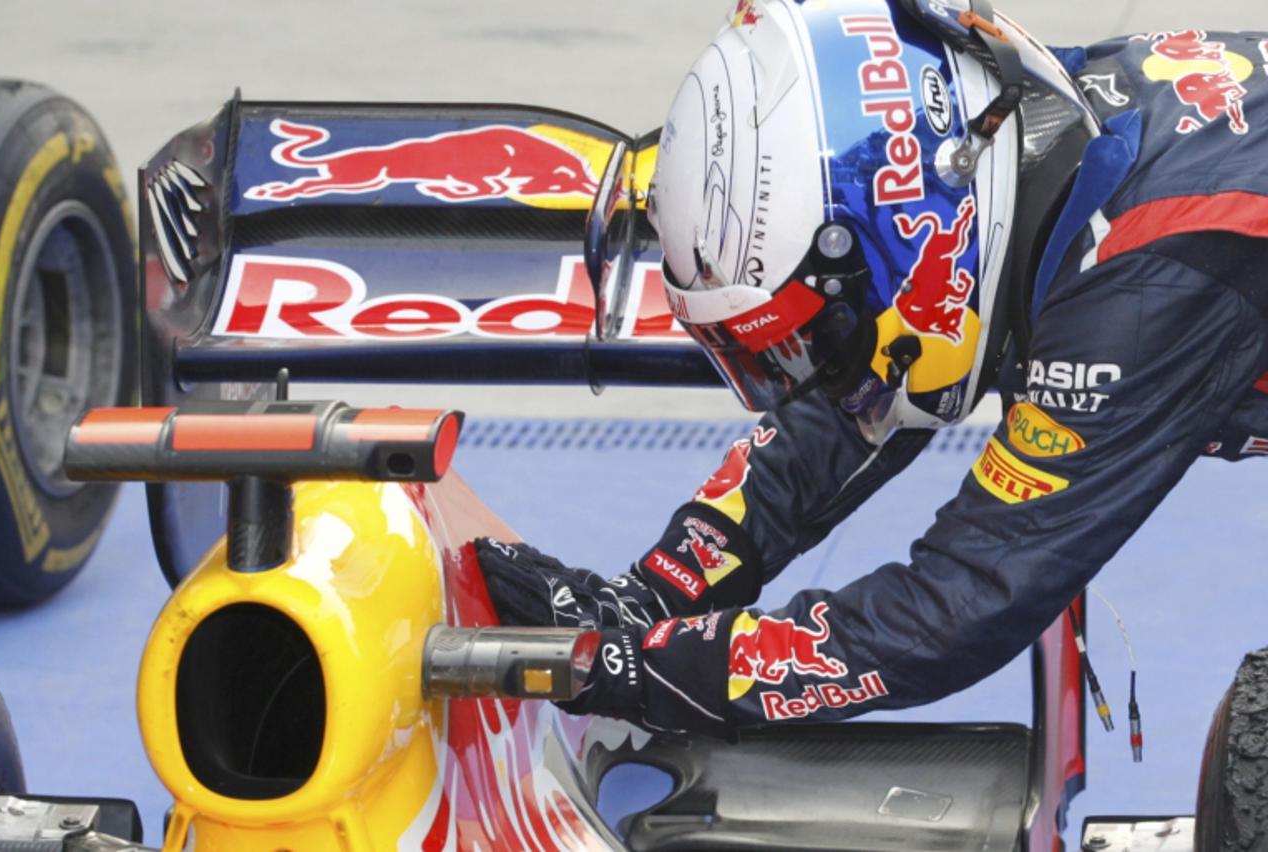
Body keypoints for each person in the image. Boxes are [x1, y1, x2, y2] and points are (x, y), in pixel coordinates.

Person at [476, 0, 1268, 737]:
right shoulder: (1003, 129)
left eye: (816, 336)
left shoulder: (1146, 282)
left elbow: (961, 606)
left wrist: (639, 671)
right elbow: (871, 383)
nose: (809, 369)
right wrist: (653, 594)